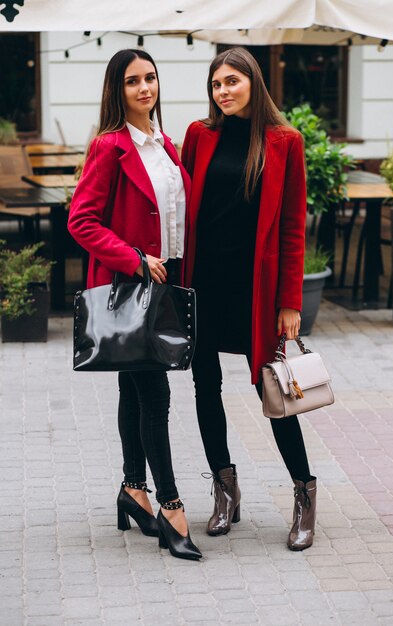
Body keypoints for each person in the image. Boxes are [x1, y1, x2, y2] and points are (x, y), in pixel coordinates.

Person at [68, 49, 201, 561]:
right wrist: (134, 258)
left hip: (165, 289)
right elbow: (82, 220)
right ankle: (170, 505)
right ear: (116, 90)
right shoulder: (110, 146)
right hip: (134, 286)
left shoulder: (167, 145)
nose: (145, 87)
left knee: (134, 387)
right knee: (156, 395)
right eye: (132, 81)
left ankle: (131, 488)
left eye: (150, 77)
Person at [181, 47, 316, 551]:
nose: (224, 91)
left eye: (232, 81)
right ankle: (225, 489)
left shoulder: (285, 141)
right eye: (217, 84)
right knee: (204, 386)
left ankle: (304, 494)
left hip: (255, 289)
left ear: (253, 84)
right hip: (205, 285)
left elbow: (292, 229)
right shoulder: (200, 135)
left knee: (274, 393)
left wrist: (290, 300)